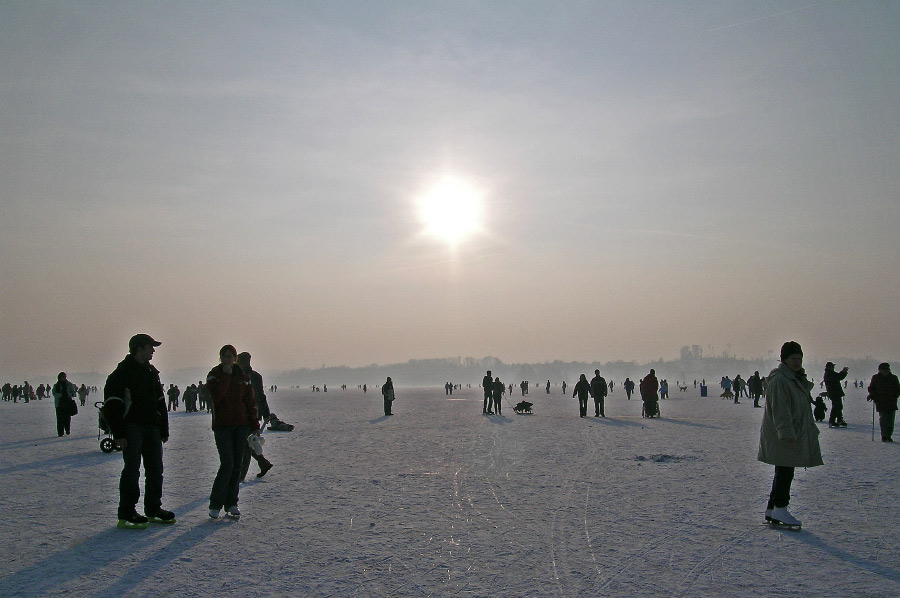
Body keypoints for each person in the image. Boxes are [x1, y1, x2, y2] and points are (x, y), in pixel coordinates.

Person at [103, 334, 174, 529]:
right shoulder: (122, 373)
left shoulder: (151, 372)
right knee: (132, 470)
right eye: (150, 347)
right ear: (139, 348)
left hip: (151, 427)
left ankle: (153, 509)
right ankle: (127, 511)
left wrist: (163, 427)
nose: (153, 350)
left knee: (155, 470)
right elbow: (112, 404)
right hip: (131, 428)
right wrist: (119, 433)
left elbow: (160, 402)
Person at [758, 341, 822, 528]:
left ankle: (772, 508)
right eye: (793, 359)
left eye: (799, 359)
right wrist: (786, 432)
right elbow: (780, 409)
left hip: (791, 431)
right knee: (786, 471)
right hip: (785, 434)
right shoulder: (781, 380)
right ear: (784, 360)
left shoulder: (793, 378)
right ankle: (780, 507)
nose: (797, 362)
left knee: (783, 469)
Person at [207, 345, 259, 519]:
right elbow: (217, 397)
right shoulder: (214, 375)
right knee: (227, 463)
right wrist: (227, 376)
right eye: (225, 356)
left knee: (237, 464)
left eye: (231, 356)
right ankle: (215, 504)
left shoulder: (243, 377)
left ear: (235, 358)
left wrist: (255, 425)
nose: (228, 359)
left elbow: (249, 401)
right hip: (223, 426)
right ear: (220, 358)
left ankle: (231, 503)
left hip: (241, 425)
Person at [237, 352, 274, 480]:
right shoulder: (237, 375)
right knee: (248, 443)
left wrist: (266, 414)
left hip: (252, 414)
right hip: (241, 414)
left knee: (247, 445)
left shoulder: (255, 377)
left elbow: (261, 396)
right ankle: (264, 463)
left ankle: (241, 476)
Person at [867, 363, 900, 442]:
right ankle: (884, 436)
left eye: (887, 369)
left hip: (891, 401)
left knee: (890, 420)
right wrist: (871, 395)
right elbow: (872, 388)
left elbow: (898, 388)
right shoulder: (876, 378)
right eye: (883, 369)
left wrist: (895, 395)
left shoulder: (893, 378)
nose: (885, 371)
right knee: (884, 419)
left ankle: (888, 435)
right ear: (880, 370)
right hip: (880, 401)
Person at [824, 362, 849, 428]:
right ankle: (832, 421)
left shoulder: (829, 373)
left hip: (835, 392)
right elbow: (838, 377)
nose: (833, 368)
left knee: (838, 406)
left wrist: (843, 372)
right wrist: (843, 372)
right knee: (836, 407)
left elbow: (838, 377)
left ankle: (839, 420)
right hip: (834, 393)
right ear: (829, 367)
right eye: (832, 366)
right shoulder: (829, 373)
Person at [52, 372, 77, 436]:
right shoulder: (56, 385)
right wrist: (61, 395)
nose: (64, 378)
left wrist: (67, 394)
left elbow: (74, 393)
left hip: (67, 404)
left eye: (65, 377)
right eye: (63, 377)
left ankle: (67, 430)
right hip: (59, 404)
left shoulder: (69, 384)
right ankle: (60, 432)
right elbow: (54, 393)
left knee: (67, 418)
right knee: (60, 419)